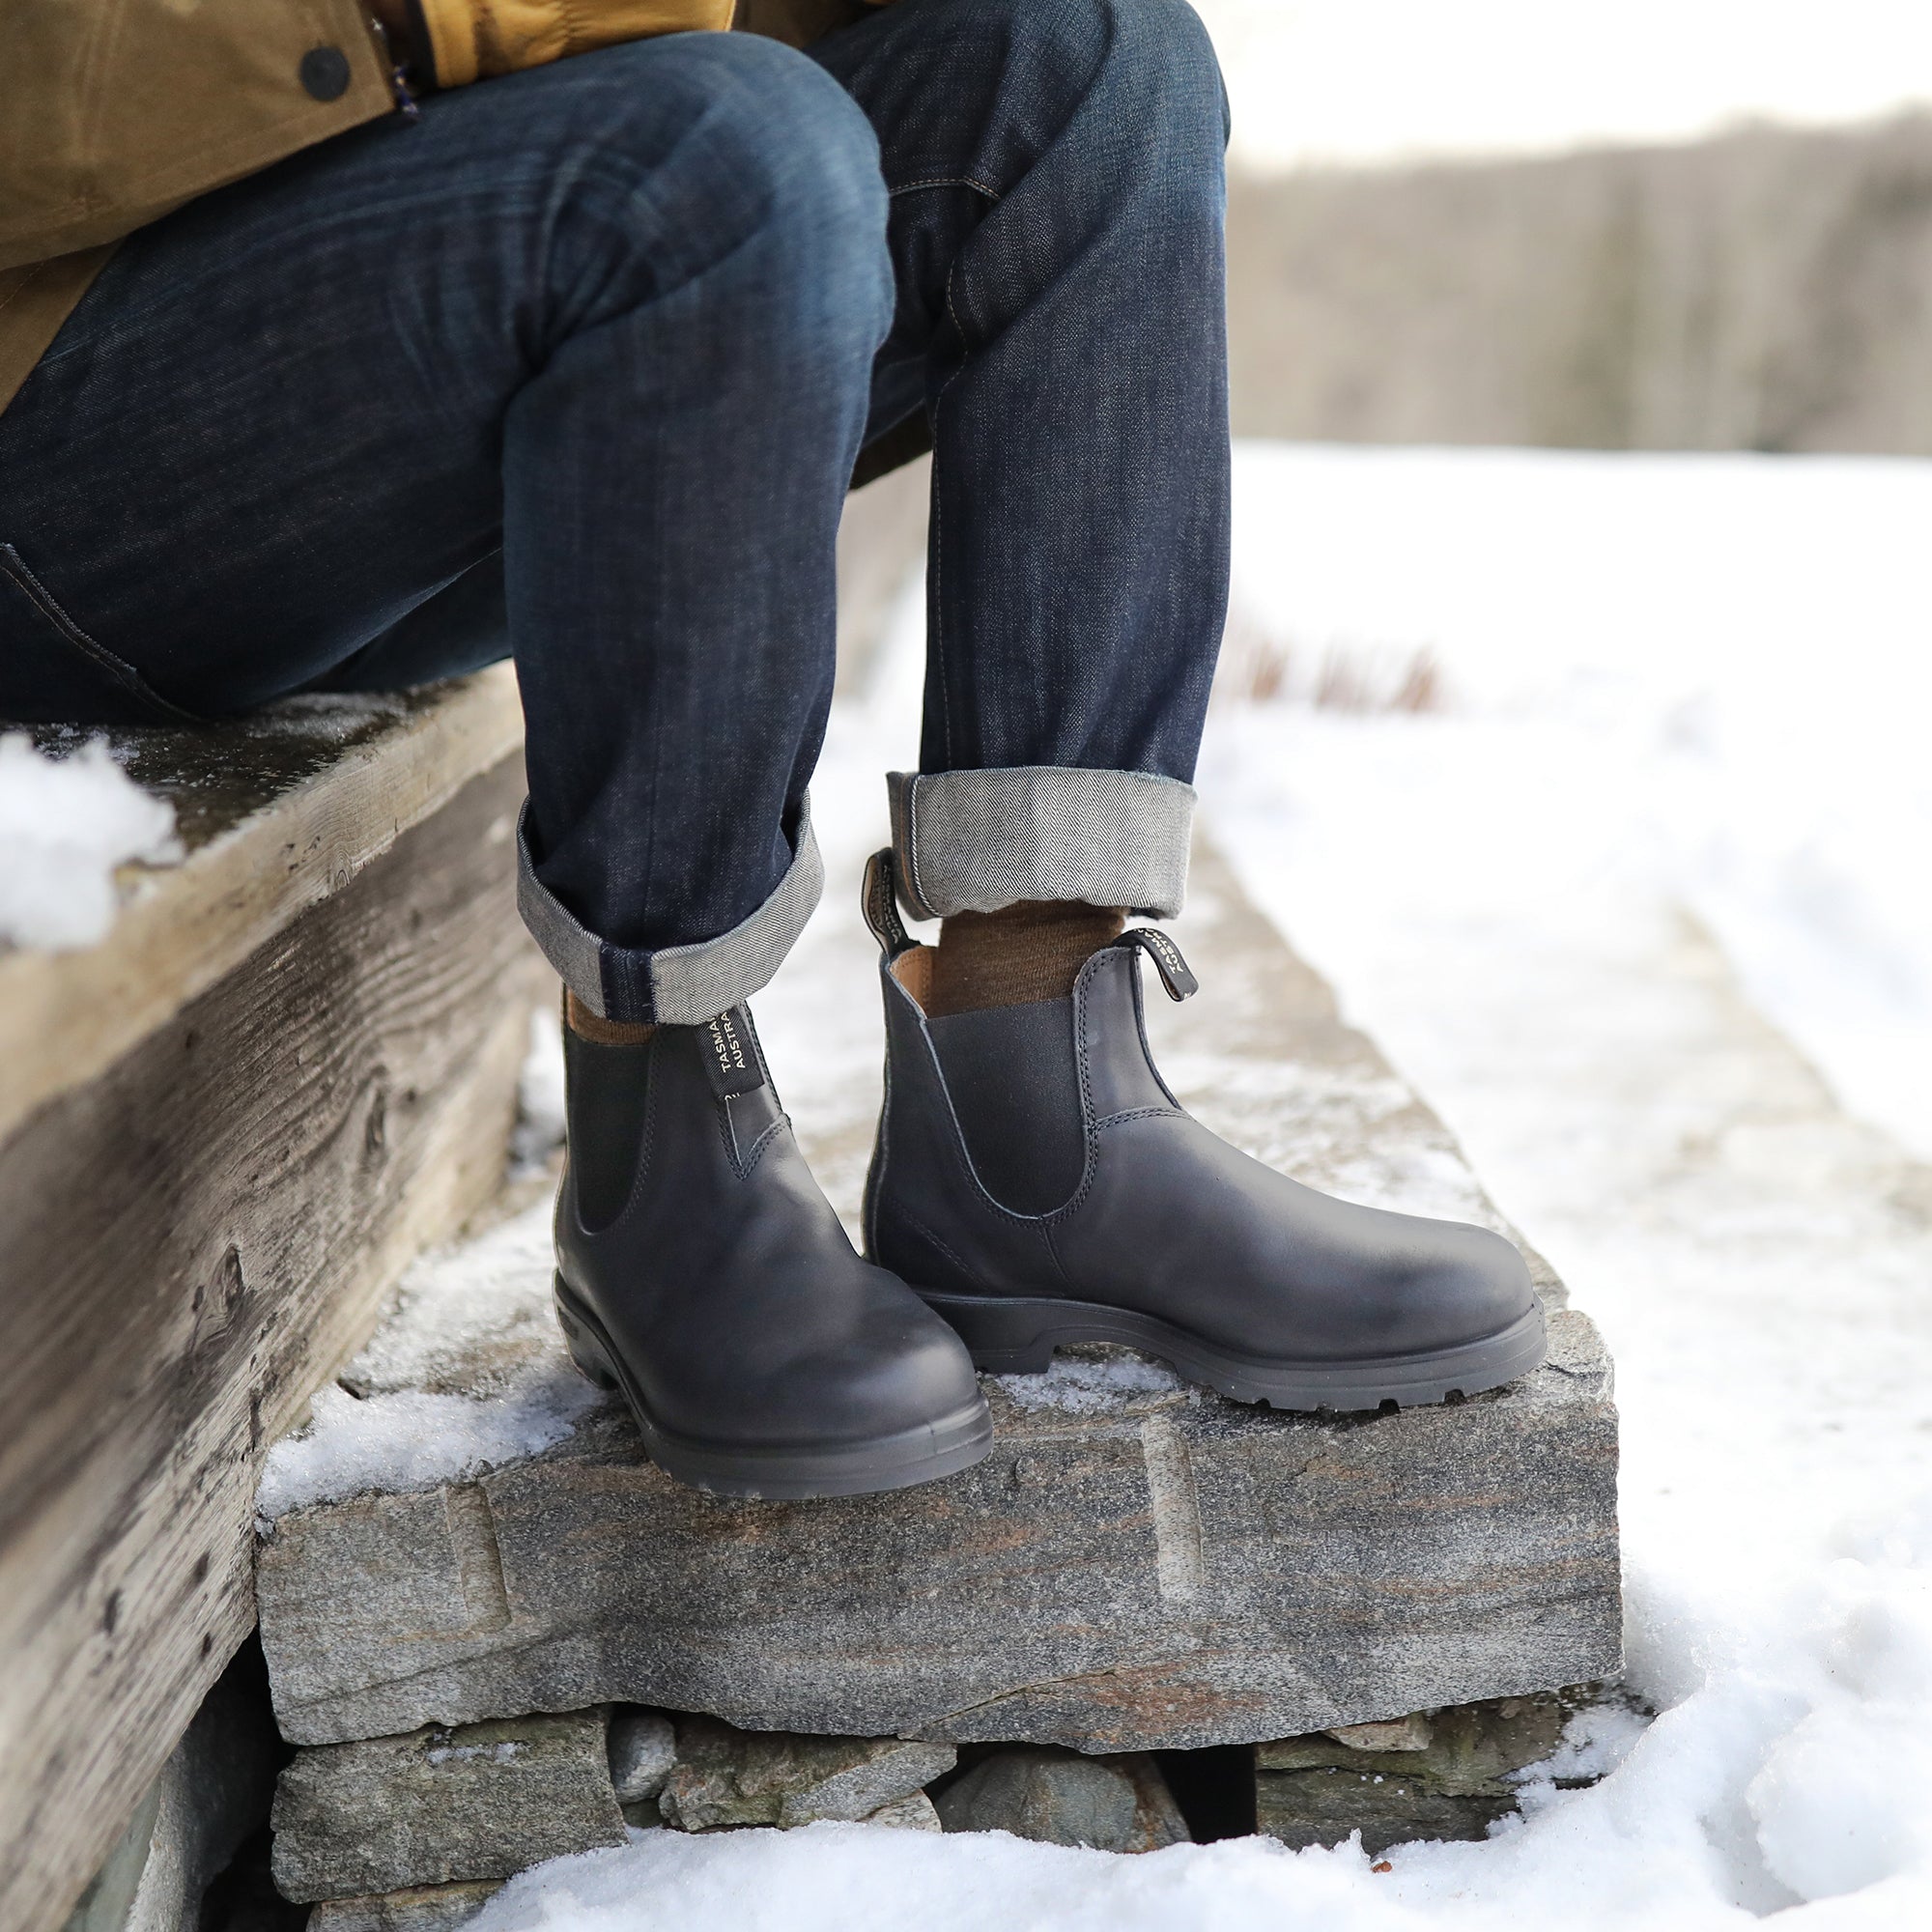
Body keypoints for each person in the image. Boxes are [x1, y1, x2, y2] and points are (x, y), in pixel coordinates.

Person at [0, 0, 1544, 1501]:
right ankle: (657, 1130)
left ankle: (1041, 1123)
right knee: (722, 151)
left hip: (464, 363)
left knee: (1089, 65)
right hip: (76, 420)